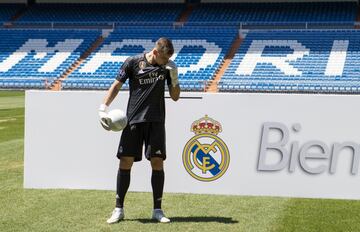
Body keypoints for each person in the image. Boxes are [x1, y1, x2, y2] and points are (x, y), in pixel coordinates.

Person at [98, 37, 180, 224]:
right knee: (125, 162)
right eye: (164, 59)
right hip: (133, 121)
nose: (166, 62)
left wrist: (174, 77)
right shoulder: (133, 62)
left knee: (157, 163)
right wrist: (103, 107)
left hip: (156, 121)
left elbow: (175, 97)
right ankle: (119, 209)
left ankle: (157, 210)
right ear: (156, 52)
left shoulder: (167, 67)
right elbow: (116, 85)